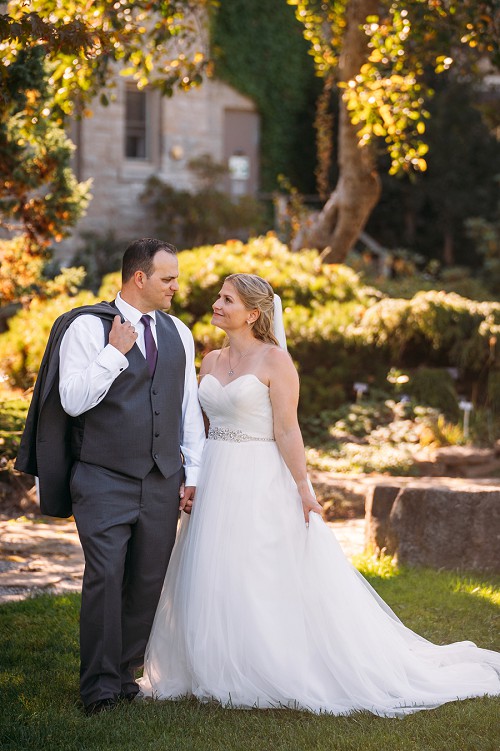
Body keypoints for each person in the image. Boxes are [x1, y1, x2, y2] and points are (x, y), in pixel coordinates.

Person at [138, 272, 500, 717]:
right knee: (210, 565)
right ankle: (206, 665)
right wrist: (192, 475)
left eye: (226, 299)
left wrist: (303, 488)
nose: (216, 303)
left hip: (258, 476)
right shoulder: (210, 361)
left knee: (257, 569)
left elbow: (288, 430)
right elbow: (198, 426)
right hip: (215, 473)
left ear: (252, 314)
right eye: (219, 296)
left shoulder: (276, 363)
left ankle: (264, 664)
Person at [16, 238, 205, 716]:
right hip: (103, 478)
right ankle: (98, 688)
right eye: (168, 279)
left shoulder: (178, 331)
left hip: (162, 477)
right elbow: (73, 399)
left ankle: (124, 676)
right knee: (105, 576)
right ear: (138, 278)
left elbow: (186, 407)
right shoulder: (87, 327)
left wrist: (192, 473)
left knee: (147, 579)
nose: (176, 288)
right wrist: (114, 353)